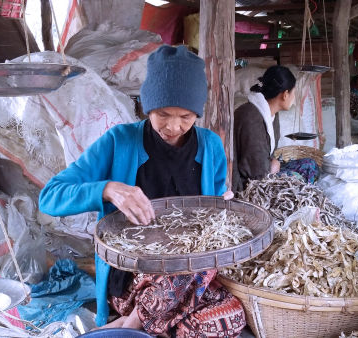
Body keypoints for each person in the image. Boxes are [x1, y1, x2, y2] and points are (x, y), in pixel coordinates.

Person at [39, 45, 246, 337]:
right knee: (185, 265)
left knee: (230, 316)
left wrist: (222, 206)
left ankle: (132, 327)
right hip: (133, 278)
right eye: (163, 114)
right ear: (147, 105)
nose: (173, 126)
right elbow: (50, 196)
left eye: (186, 117)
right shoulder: (119, 141)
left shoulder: (210, 146)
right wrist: (108, 189)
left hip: (189, 279)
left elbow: (212, 225)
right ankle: (135, 321)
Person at [232, 66, 296, 192]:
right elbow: (256, 172)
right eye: (294, 93)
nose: (294, 98)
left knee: (310, 165)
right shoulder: (250, 117)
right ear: (285, 94)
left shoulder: (271, 114)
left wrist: (274, 164)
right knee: (300, 178)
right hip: (248, 186)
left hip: (265, 172)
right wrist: (273, 168)